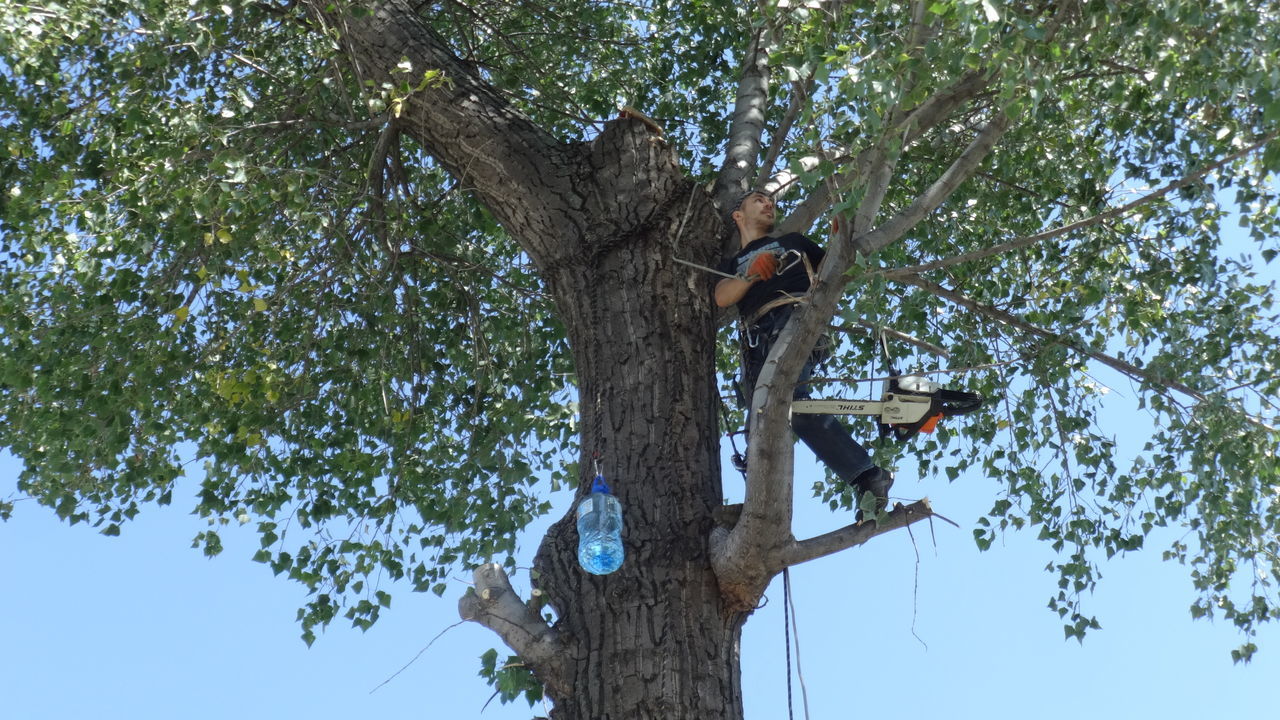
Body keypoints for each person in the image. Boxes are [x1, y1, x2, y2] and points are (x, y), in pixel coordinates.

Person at [714, 191, 894, 510]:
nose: (769, 204)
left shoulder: (793, 242)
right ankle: (760, 508)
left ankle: (866, 474)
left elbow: (835, 269)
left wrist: (839, 236)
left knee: (788, 403)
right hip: (756, 341)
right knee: (761, 422)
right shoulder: (732, 264)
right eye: (758, 200)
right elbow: (722, 296)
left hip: (794, 318)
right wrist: (752, 272)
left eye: (771, 200)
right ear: (738, 216)